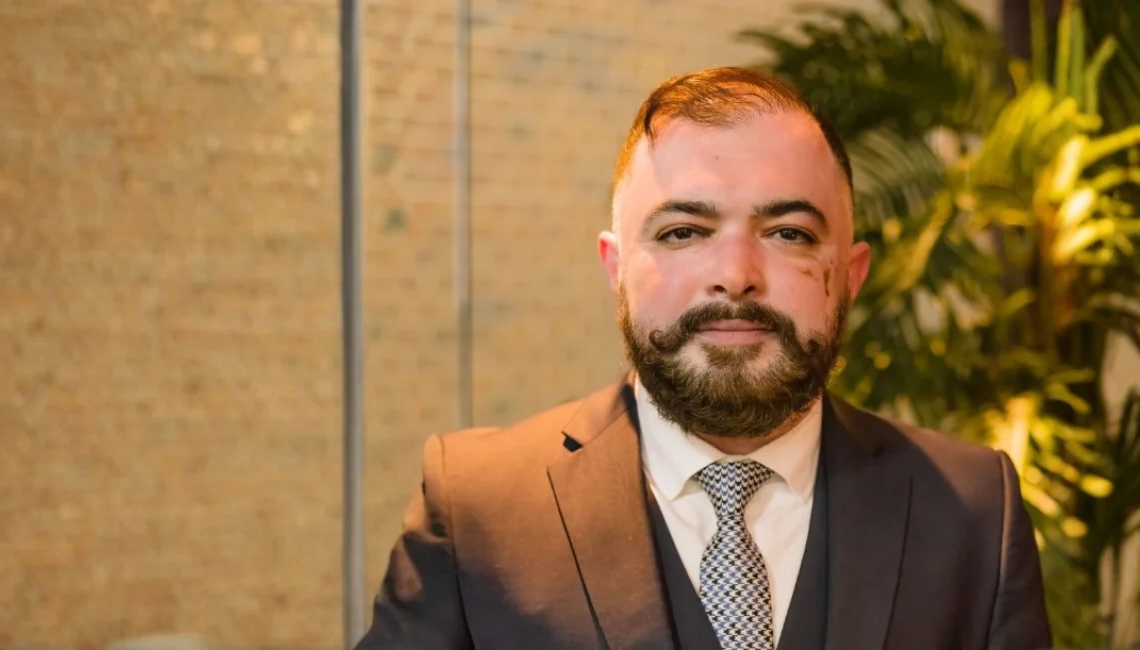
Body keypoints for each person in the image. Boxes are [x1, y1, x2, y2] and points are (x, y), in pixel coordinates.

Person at [355, 66, 1050, 650]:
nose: (735, 276)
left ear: (852, 275)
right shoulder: (475, 508)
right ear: (616, 269)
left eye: (788, 233)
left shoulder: (973, 514)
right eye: (683, 232)